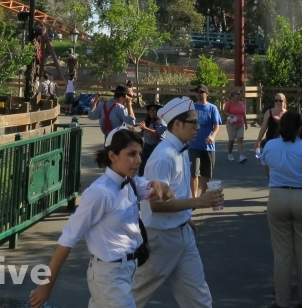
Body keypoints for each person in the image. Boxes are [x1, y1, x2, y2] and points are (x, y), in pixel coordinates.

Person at [29, 126, 172, 308]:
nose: (138, 160)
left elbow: (168, 194)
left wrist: (160, 185)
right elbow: (68, 238)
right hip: (109, 276)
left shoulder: (131, 182)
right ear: (112, 156)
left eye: (139, 154)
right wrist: (47, 285)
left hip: (127, 270)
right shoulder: (100, 193)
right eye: (131, 154)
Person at [131, 97, 224, 308]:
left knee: (199, 298)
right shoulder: (163, 156)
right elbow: (156, 205)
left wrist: (185, 217)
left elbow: (175, 195)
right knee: (132, 298)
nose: (198, 127)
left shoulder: (181, 149)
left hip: (182, 234)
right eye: (194, 123)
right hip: (161, 238)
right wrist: (198, 202)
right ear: (178, 124)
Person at [260, 110, 302, 308]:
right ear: (300, 128)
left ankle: (282, 301)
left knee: (282, 254)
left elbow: (268, 172)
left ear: (281, 126)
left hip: (278, 196)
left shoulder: (270, 145)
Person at [187, 85, 222, 197]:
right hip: (194, 145)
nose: (198, 94)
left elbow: (216, 126)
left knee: (206, 174)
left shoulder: (212, 108)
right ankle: (194, 197)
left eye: (201, 92)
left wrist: (213, 136)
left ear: (207, 94)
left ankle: (202, 195)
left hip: (208, 146)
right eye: (197, 92)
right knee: (194, 173)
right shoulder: (192, 108)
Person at [137, 100, 166, 176]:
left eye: (154, 110)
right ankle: (141, 179)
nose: (151, 112)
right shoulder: (147, 121)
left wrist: (145, 128)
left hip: (157, 147)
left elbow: (156, 134)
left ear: (158, 111)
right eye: (150, 110)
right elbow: (143, 133)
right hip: (147, 146)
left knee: (154, 166)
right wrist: (133, 132)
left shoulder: (162, 122)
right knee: (142, 165)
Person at [222, 89, 247, 163]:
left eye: (240, 94)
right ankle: (230, 154)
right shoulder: (229, 103)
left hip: (240, 124)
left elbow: (243, 114)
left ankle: (241, 156)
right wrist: (230, 114)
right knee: (231, 140)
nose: (239, 95)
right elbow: (224, 111)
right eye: (237, 94)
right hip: (231, 125)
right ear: (233, 95)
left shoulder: (241, 103)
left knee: (240, 140)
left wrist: (246, 123)